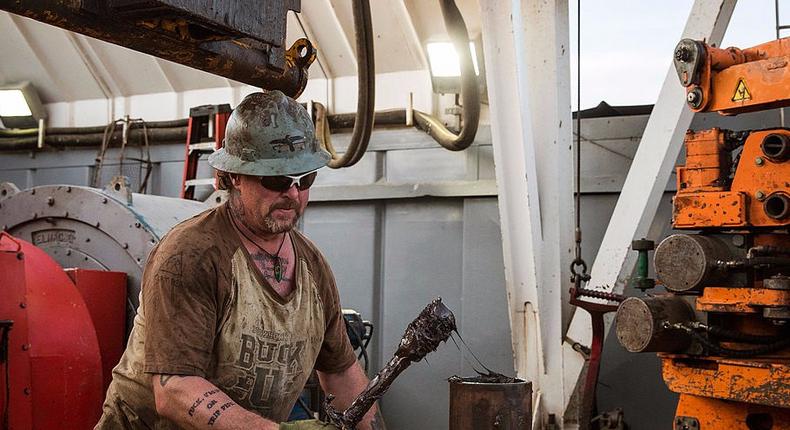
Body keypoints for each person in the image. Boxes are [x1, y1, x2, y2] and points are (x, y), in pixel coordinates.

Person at [96, 91, 383, 430]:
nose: (292, 193)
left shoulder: (312, 267)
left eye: (305, 179)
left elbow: (340, 371)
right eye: (276, 180)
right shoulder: (192, 254)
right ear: (234, 177)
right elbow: (173, 388)